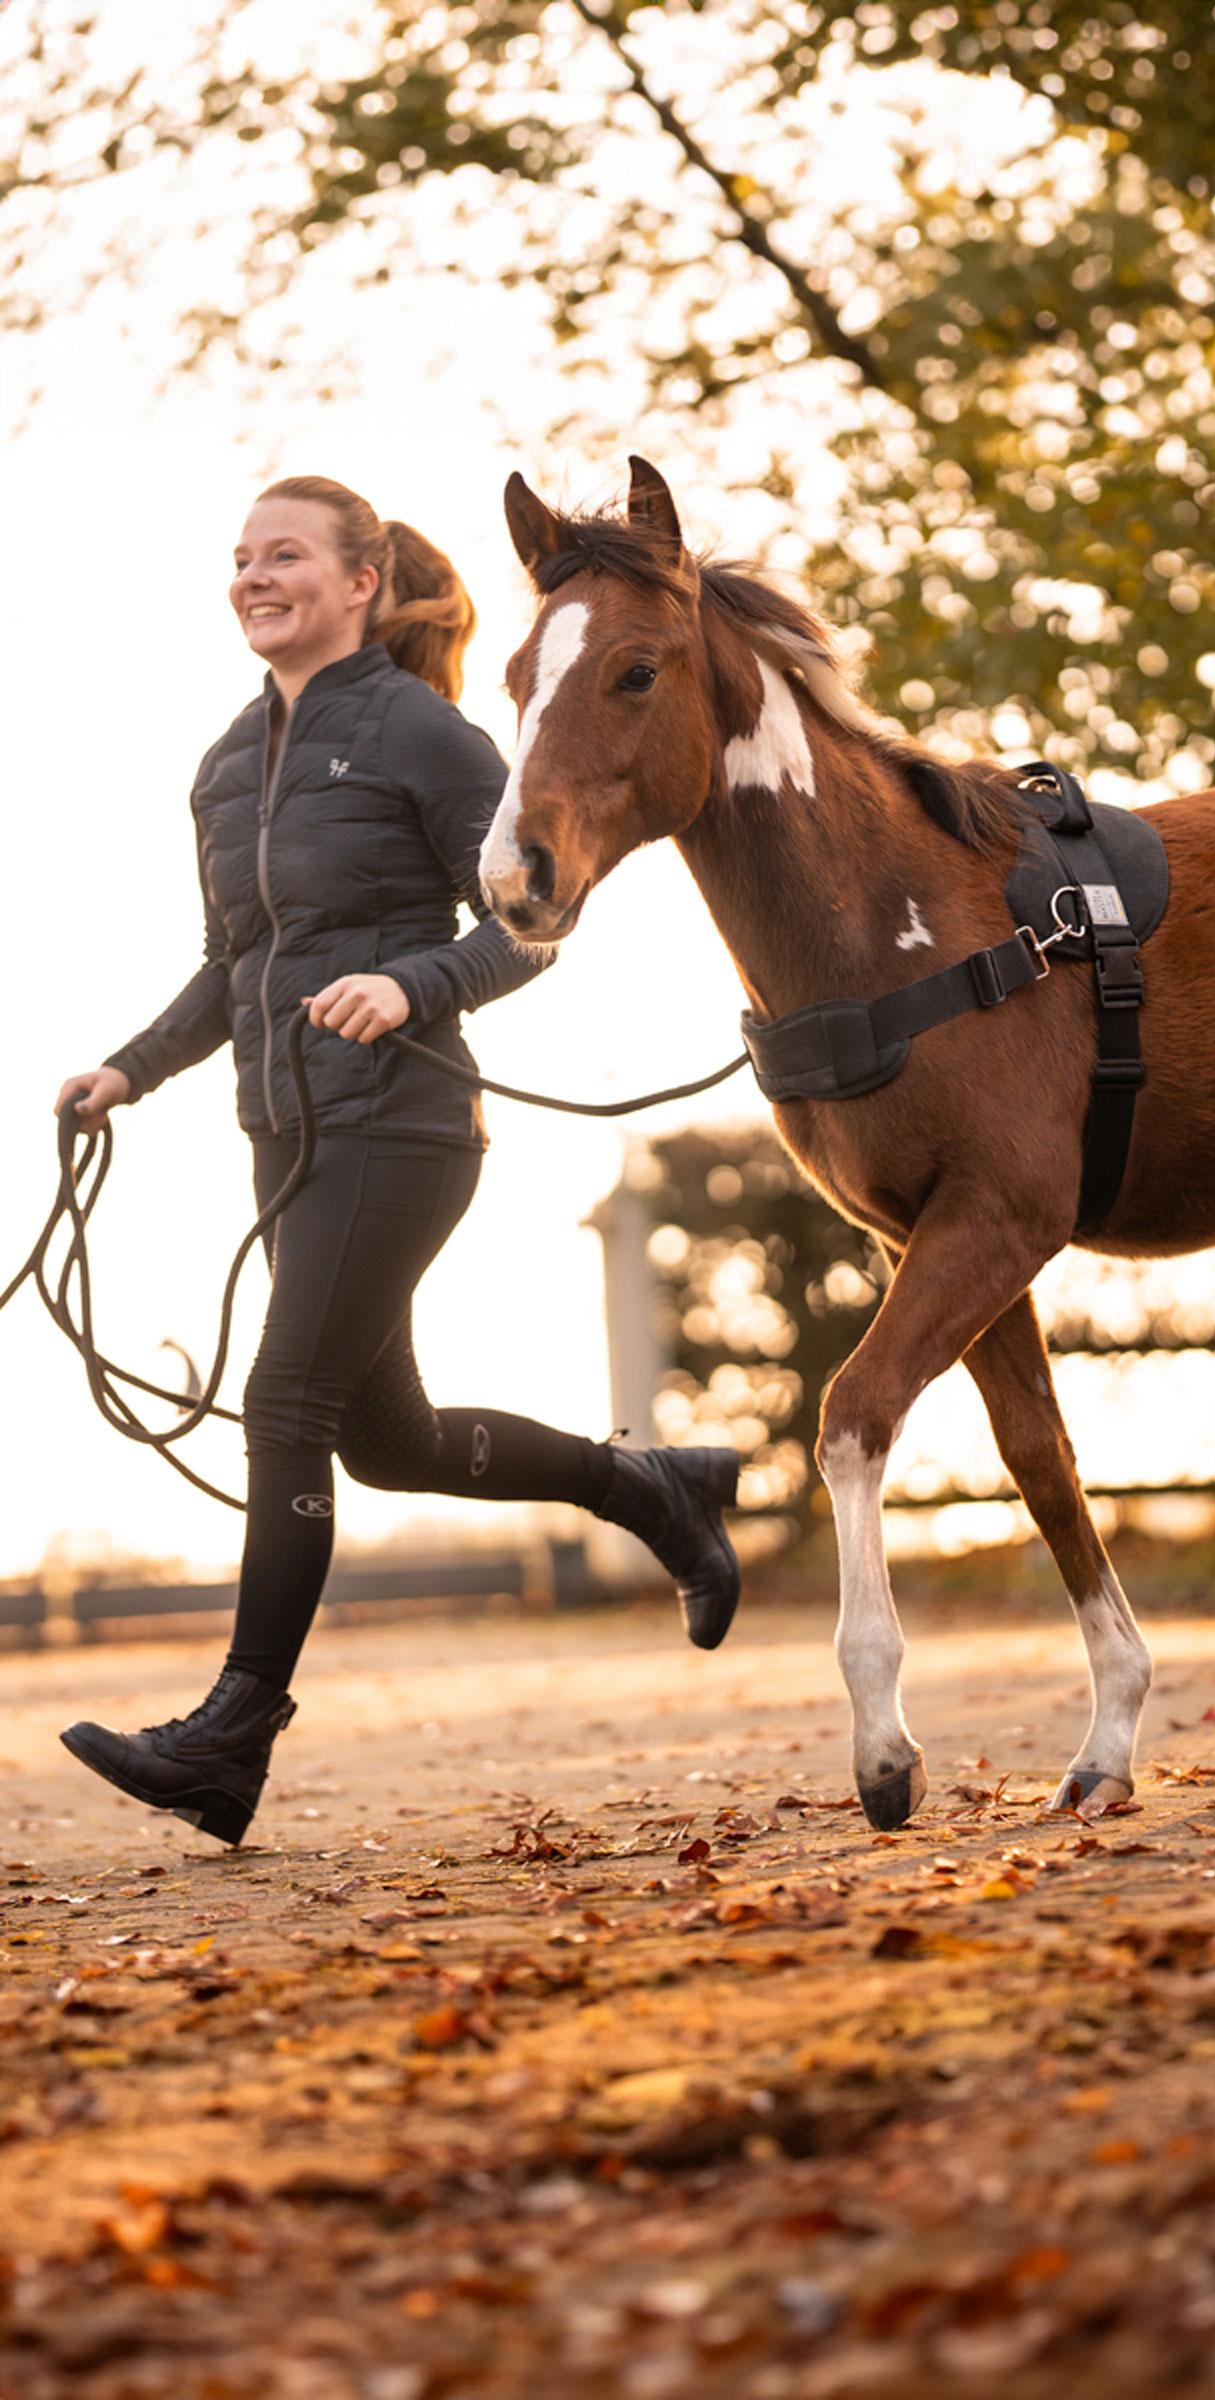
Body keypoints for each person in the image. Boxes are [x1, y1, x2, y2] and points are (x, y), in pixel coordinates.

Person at [54, 475, 739, 1847]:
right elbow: (232, 966)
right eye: (241, 558)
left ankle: (233, 1732)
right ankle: (650, 1488)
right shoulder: (226, 764)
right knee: (388, 1441)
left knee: (285, 1399)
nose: (255, 577)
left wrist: (413, 984)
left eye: (286, 555)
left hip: (403, 1123)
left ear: (361, 583)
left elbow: (532, 916)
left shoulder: (424, 734)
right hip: (284, 1130)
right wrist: (129, 1067)